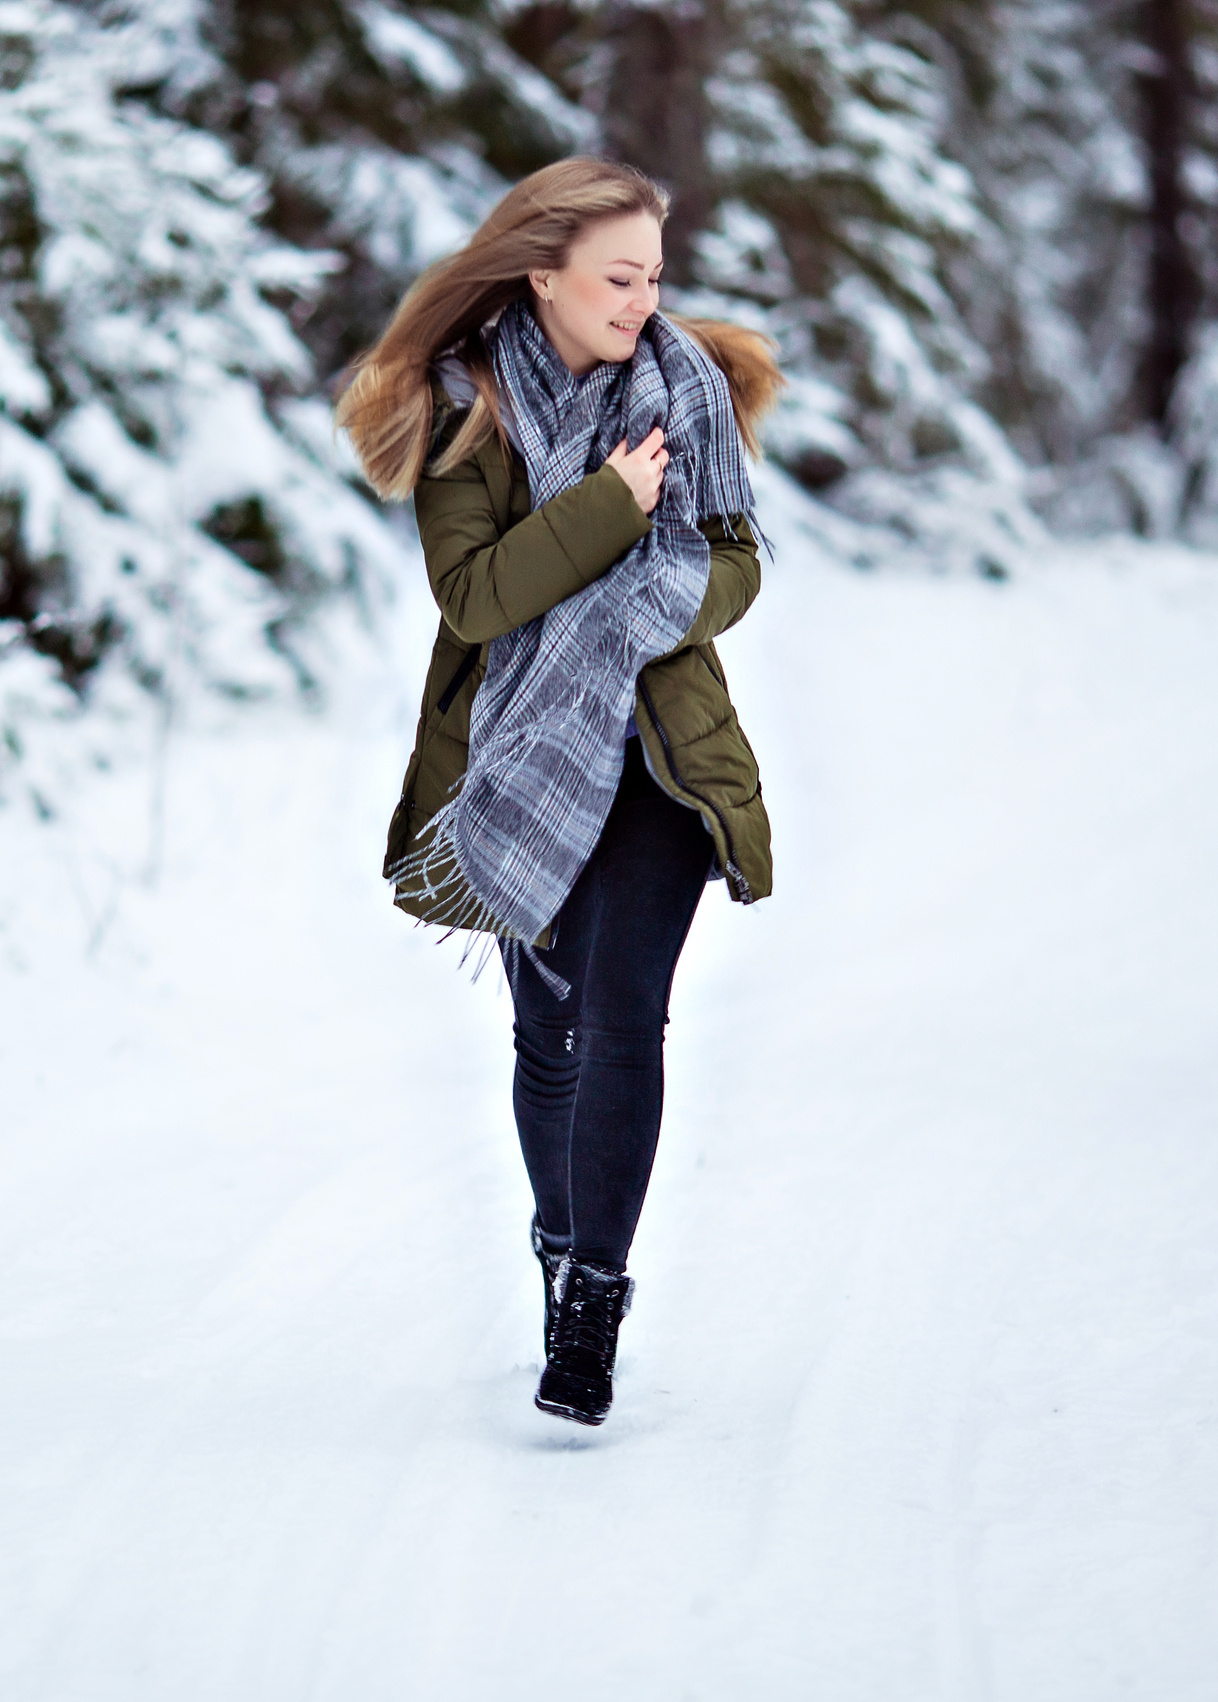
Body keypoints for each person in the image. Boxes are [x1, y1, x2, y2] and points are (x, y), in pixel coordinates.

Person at [335, 158, 781, 1426]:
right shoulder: (465, 406)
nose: (645, 302)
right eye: (617, 278)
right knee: (550, 1034)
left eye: (653, 275)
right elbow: (474, 597)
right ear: (542, 275)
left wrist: (652, 601)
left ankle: (591, 1298)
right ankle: (554, 1241)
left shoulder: (683, 386)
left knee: (626, 1014)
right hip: (520, 755)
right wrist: (607, 512)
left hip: (655, 754)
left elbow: (736, 563)